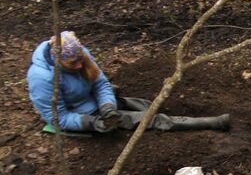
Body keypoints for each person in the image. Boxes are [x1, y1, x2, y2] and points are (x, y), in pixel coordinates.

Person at [27, 32, 230, 133]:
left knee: (142, 105)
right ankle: (212, 124)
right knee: (151, 120)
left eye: (81, 60)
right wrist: (92, 122)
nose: (80, 65)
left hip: (96, 103)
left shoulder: (79, 53)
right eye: (73, 63)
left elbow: (101, 84)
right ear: (58, 60)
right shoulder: (42, 78)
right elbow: (58, 119)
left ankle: (177, 113)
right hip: (84, 115)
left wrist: (107, 106)